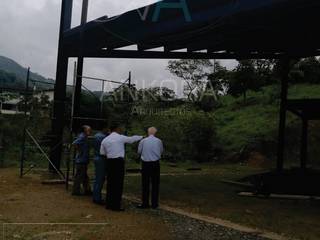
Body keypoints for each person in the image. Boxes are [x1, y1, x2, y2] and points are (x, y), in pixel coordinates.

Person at [100, 125, 143, 211]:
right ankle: (116, 205)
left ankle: (109, 204)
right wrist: (141, 137)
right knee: (118, 184)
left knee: (110, 183)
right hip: (118, 162)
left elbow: (102, 152)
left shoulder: (105, 140)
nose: (121, 130)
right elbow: (131, 139)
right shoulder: (120, 137)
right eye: (120, 129)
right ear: (116, 129)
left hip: (109, 162)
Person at [137, 127, 163, 209]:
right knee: (155, 184)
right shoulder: (159, 141)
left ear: (148, 132)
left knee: (145, 184)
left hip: (146, 164)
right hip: (155, 164)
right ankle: (154, 204)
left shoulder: (143, 141)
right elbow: (161, 151)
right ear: (155, 133)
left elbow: (139, 151)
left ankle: (145, 203)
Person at [72, 125, 92, 196]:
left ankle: (87, 190)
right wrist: (80, 151)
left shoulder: (84, 136)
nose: (90, 131)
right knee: (79, 176)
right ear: (84, 130)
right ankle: (76, 191)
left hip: (83, 160)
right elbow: (75, 143)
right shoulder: (82, 136)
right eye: (88, 130)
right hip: (81, 160)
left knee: (84, 176)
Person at [92, 126, 110, 205]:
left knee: (97, 179)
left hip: (97, 157)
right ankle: (97, 198)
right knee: (100, 179)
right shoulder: (103, 137)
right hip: (101, 158)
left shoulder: (96, 135)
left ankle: (96, 196)